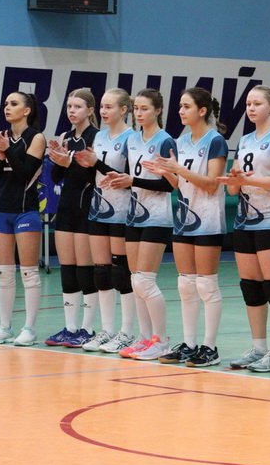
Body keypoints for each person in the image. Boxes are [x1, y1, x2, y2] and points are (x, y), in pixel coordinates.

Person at [217, 86, 270, 372]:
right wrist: (234, 178)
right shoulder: (246, 139)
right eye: (249, 104)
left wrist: (249, 180)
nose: (251, 108)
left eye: (257, 104)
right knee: (250, 286)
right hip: (245, 220)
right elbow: (234, 190)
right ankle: (259, 347)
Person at [152, 88, 228, 368]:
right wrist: (168, 173)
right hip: (184, 219)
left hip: (208, 220)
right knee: (185, 285)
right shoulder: (181, 141)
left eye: (186, 106)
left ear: (202, 111)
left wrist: (178, 170)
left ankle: (210, 348)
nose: (181, 111)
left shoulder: (215, 141)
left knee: (206, 286)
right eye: (180, 106)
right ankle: (189, 344)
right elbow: (180, 185)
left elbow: (211, 184)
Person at [99, 89, 176, 361]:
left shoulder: (165, 140)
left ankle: (161, 340)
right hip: (134, 215)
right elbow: (130, 176)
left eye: (145, 109)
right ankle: (145, 338)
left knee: (145, 280)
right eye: (137, 109)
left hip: (157, 217)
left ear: (158, 110)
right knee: (134, 280)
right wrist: (118, 178)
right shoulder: (132, 139)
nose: (139, 114)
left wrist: (132, 181)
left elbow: (169, 184)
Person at [75, 88, 137, 353]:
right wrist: (74, 163)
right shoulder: (99, 136)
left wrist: (96, 164)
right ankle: (107, 331)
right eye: (101, 106)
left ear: (124, 110)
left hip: (122, 210)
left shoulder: (132, 138)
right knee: (101, 271)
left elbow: (127, 178)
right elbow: (95, 175)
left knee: (121, 272)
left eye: (109, 107)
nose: (103, 111)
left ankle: (126, 332)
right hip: (98, 208)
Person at [0, 91, 47, 346]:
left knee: (29, 273)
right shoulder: (1, 137)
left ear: (27, 110)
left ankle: (29, 329)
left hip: (25, 210)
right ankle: (4, 327)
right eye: (6, 104)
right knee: (5, 272)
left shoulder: (36, 138)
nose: (7, 108)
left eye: (13, 104)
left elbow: (24, 174)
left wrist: (7, 150)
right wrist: (1, 154)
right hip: (0, 211)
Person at [44, 89, 99, 349]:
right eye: (69, 106)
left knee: (85, 269)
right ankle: (70, 327)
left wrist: (69, 164)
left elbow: (93, 176)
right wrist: (57, 158)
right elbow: (57, 178)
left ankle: (88, 329)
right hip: (65, 207)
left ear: (90, 110)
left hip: (86, 208)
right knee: (67, 268)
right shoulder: (66, 137)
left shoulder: (96, 137)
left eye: (77, 106)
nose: (72, 111)